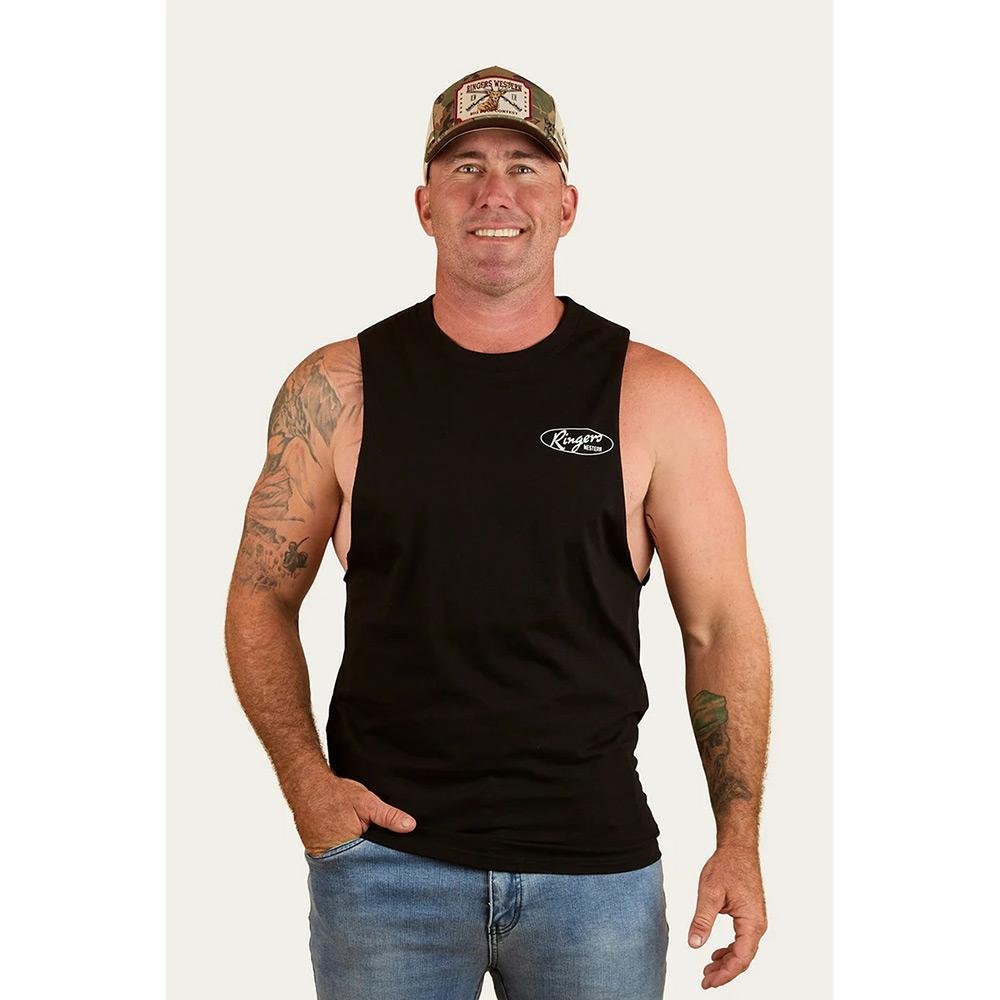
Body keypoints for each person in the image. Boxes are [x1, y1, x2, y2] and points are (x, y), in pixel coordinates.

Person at [224, 65, 771, 998]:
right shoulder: (338, 388)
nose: (495, 193)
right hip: (384, 869)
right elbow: (258, 599)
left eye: (524, 167)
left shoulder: (655, 395)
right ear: (425, 205)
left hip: (595, 875)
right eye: (466, 167)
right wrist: (307, 785)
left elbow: (720, 626)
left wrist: (739, 841)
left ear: (566, 205)